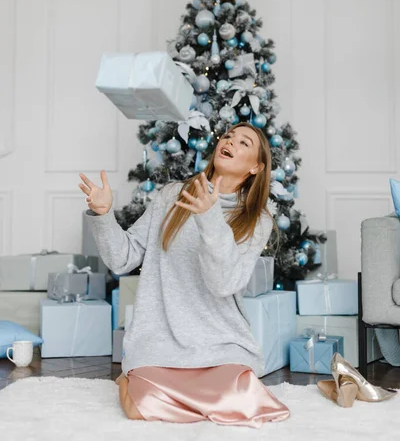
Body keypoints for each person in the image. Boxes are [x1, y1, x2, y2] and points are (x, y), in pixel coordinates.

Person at [78, 123, 290, 428]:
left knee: (244, 404)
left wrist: (210, 217)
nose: (230, 142)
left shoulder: (257, 220)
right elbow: (122, 258)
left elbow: (223, 284)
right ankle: (131, 377)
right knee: (141, 409)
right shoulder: (172, 195)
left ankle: (152, 380)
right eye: (228, 136)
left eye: (244, 143)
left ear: (256, 167)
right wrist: (103, 214)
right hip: (161, 338)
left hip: (221, 340)